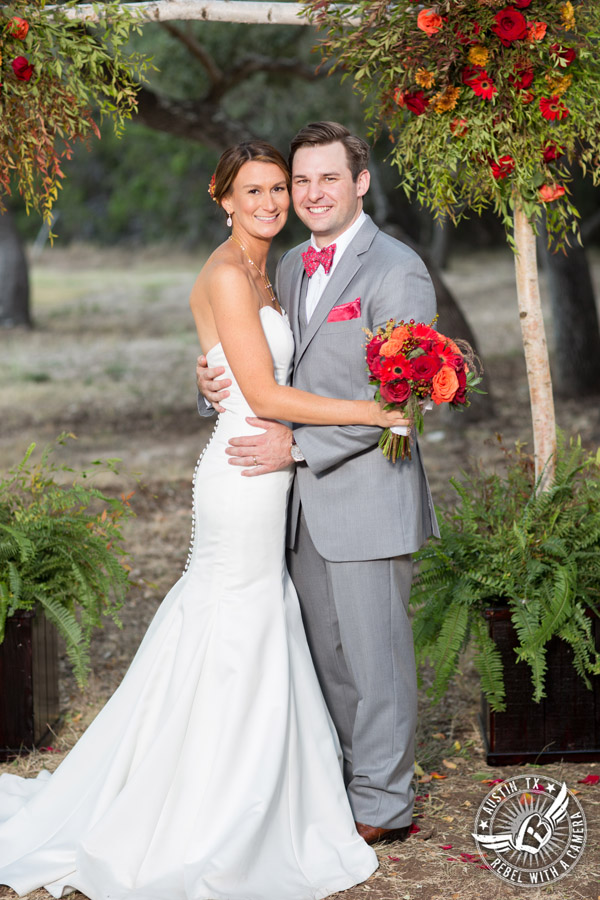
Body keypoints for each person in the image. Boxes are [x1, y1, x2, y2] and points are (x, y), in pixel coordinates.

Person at [0, 139, 417, 900]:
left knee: (260, 620)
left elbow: (251, 366)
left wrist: (215, 378)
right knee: (234, 620)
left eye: (277, 190)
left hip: (279, 472)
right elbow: (260, 389)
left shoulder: (279, 268)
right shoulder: (232, 272)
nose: (270, 202)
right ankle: (213, 803)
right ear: (222, 197)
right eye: (253, 190)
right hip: (246, 472)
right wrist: (370, 410)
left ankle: (272, 785)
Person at [197, 122, 439, 846]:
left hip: (365, 493)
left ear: (361, 182)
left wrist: (299, 447)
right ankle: (339, 781)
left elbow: (403, 400)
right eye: (300, 181)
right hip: (293, 507)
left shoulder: (397, 270)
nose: (310, 193)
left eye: (326, 178)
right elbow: (261, 368)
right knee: (326, 656)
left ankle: (385, 805)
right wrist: (210, 380)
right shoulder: (292, 265)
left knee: (378, 662)